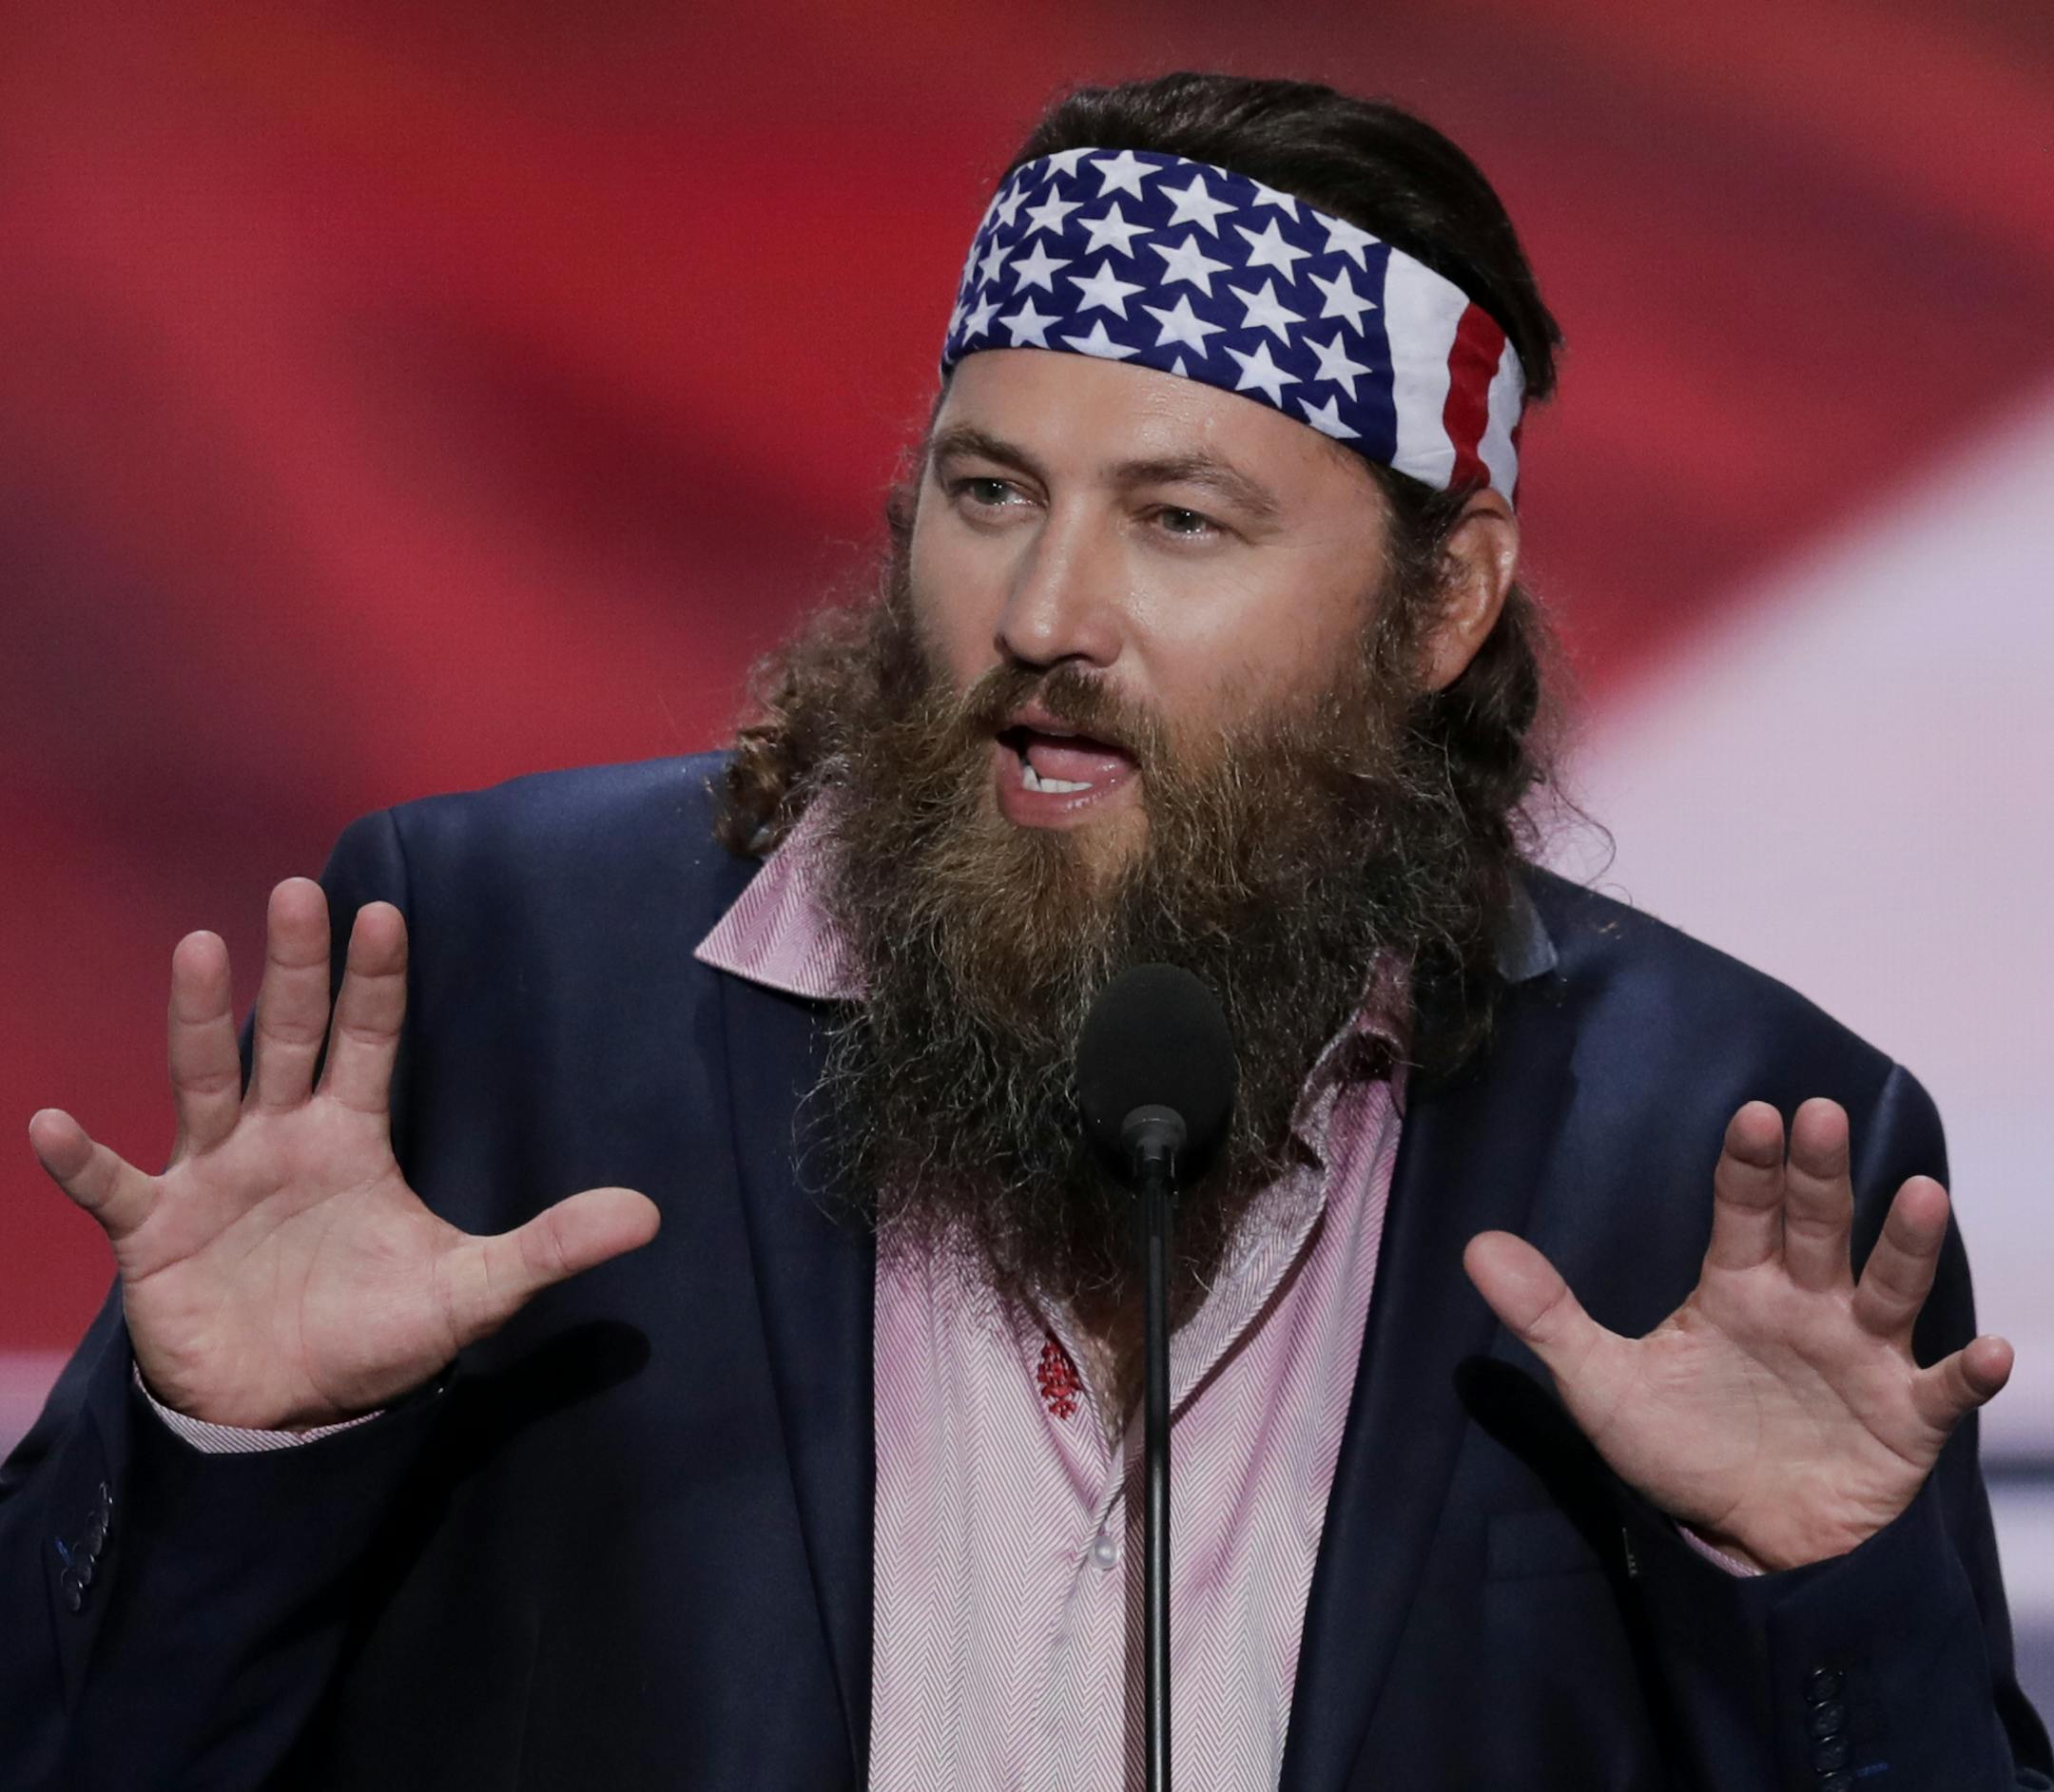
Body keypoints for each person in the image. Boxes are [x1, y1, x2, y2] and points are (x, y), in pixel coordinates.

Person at [3, 68, 2048, 1792]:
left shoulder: (1724, 1142)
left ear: (1444, 604)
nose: (1047, 615)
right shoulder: (485, 985)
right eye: (989, 494)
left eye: (1180, 520)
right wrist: (233, 1457)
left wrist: (1817, 1597)